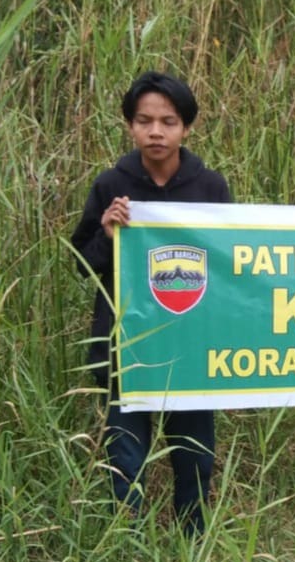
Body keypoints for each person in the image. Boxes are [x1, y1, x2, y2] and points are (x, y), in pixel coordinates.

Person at [70, 71, 231, 535]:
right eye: (144, 121)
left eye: (168, 121)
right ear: (130, 125)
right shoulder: (110, 186)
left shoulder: (211, 188)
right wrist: (106, 232)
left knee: (195, 459)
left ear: (186, 127)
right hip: (127, 350)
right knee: (125, 458)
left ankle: (191, 546)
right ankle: (126, 546)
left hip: (192, 350)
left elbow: (228, 268)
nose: (156, 131)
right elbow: (84, 265)